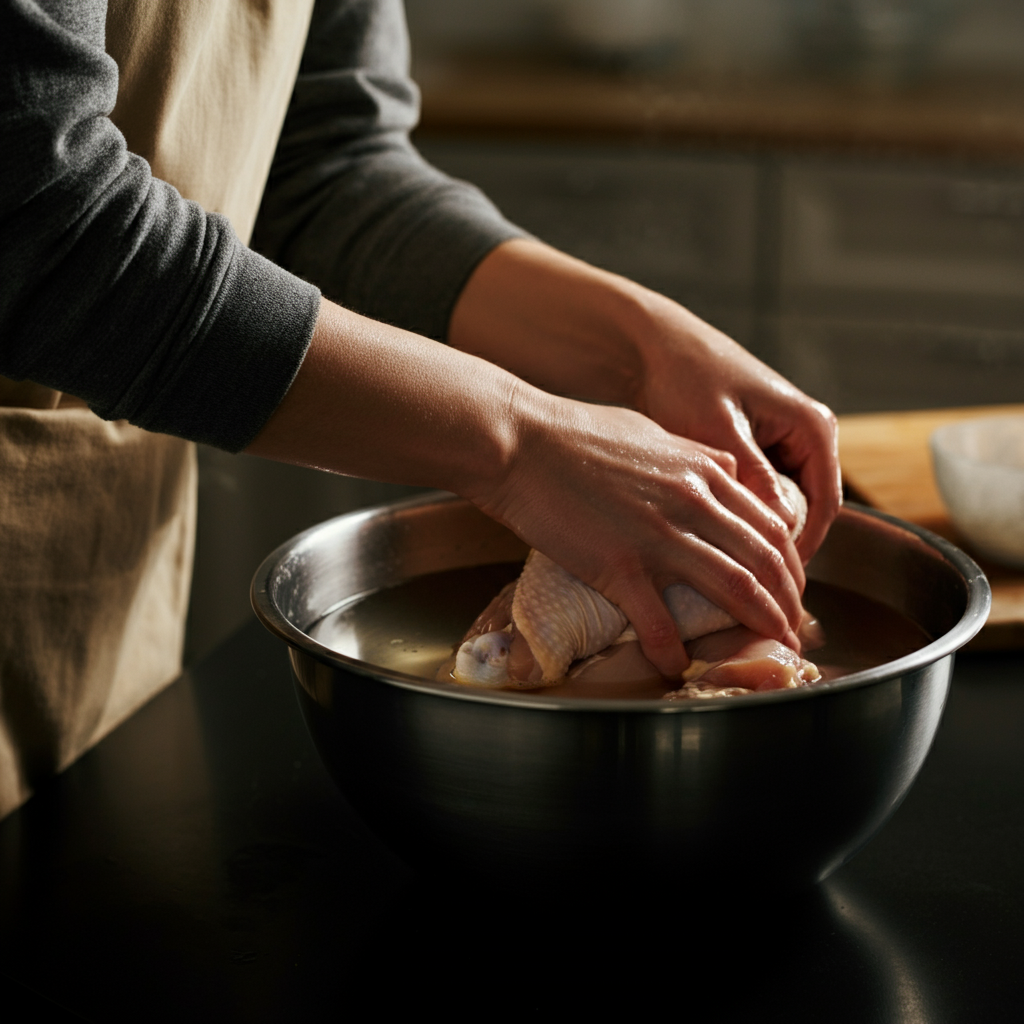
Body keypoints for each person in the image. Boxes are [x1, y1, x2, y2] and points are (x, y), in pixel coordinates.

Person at [0, 0, 839, 817]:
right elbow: (35, 221)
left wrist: (643, 342)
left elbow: (323, 169)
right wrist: (516, 441)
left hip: (96, 631)